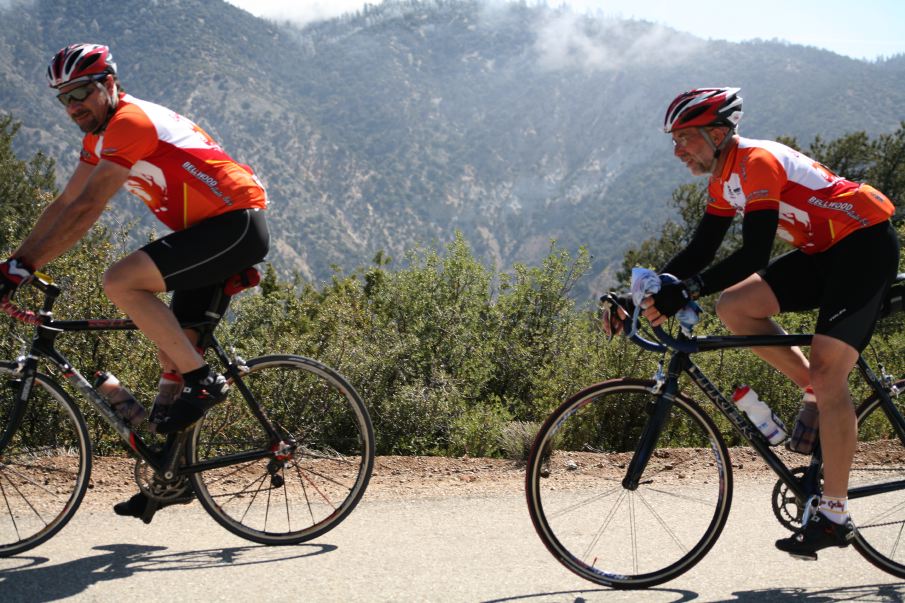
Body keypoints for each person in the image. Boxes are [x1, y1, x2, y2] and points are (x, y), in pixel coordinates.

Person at [0, 43, 270, 518]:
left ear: (108, 84)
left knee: (121, 281)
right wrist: (15, 262)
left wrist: (21, 270)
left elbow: (85, 211)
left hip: (234, 225)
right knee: (173, 363)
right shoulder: (97, 138)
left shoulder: (130, 122)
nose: (73, 106)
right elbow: (63, 204)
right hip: (205, 234)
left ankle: (205, 381)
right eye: (64, 99)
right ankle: (172, 479)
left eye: (81, 92)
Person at [645, 87, 898, 559]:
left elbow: (754, 254)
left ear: (718, 133)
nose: (678, 151)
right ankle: (813, 391)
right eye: (674, 141)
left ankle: (834, 515)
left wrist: (687, 288)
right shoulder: (722, 180)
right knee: (734, 307)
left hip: (863, 244)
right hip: (823, 252)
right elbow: (701, 251)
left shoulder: (756, 161)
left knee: (830, 374)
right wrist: (644, 289)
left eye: (685, 139)